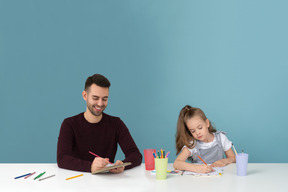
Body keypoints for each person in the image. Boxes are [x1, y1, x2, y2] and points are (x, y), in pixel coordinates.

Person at [57, 74, 142, 173]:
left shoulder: (116, 124)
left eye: (104, 99)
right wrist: (90, 167)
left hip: (107, 182)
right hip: (77, 181)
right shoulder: (69, 124)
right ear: (85, 95)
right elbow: (62, 159)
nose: (100, 103)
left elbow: (136, 155)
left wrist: (123, 165)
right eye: (95, 98)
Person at [173, 105, 235, 173]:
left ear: (207, 123)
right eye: (193, 131)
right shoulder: (193, 144)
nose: (197, 133)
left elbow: (234, 158)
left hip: (219, 178)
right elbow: (177, 163)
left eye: (200, 128)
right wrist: (196, 168)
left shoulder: (221, 138)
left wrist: (224, 161)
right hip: (200, 180)